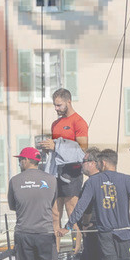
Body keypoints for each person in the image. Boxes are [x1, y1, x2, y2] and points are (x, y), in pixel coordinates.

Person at [7, 146, 63, 260]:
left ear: (26, 161)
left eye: (20, 160)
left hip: (24, 232)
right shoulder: (52, 180)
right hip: (46, 233)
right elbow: (51, 202)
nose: (19, 162)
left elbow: (12, 206)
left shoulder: (15, 181)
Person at [49, 87, 90, 230]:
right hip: (56, 171)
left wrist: (56, 147)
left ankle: (77, 249)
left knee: (71, 211)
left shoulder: (79, 122)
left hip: (72, 172)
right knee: (54, 213)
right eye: (54, 105)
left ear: (69, 102)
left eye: (59, 105)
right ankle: (56, 251)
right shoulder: (55, 124)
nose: (56, 108)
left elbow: (82, 149)